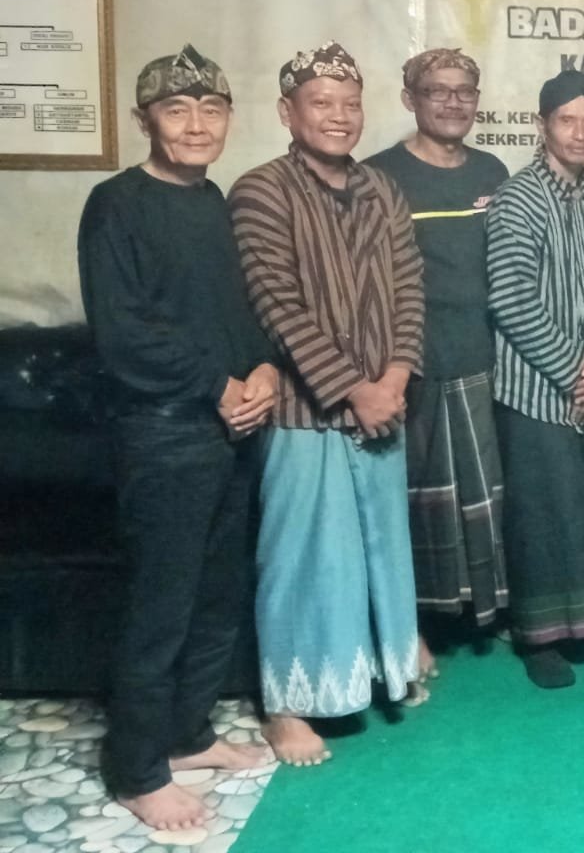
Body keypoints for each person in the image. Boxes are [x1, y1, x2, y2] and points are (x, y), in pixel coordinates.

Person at [77, 47, 276, 831]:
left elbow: (237, 314)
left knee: (218, 597)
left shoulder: (214, 200)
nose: (196, 125)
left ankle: (188, 734)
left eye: (211, 109)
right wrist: (217, 386)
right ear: (144, 120)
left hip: (233, 432)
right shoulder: (115, 204)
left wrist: (264, 370)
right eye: (176, 110)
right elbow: (125, 334)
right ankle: (136, 769)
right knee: (160, 605)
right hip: (164, 435)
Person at [229, 42, 423, 767]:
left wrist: (395, 377)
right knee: (302, 558)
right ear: (288, 112)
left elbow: (410, 288)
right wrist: (355, 388)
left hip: (384, 405)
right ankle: (285, 707)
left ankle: (379, 672)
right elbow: (276, 305)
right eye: (321, 103)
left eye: (350, 104)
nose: (338, 117)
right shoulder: (259, 191)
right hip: (305, 415)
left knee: (377, 549)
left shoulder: (382, 189)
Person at [365, 49, 509, 688]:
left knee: (483, 496)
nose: (453, 102)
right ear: (410, 99)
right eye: (437, 91)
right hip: (412, 367)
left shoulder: (492, 171)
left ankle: (482, 612)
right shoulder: (379, 175)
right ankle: (415, 625)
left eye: (464, 91)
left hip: (483, 359)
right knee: (415, 503)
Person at [487, 69, 584, 689]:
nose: (580, 132)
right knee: (544, 519)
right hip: (536, 391)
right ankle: (539, 639)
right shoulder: (518, 197)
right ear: (541, 125)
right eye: (567, 120)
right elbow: (511, 299)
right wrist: (574, 371)